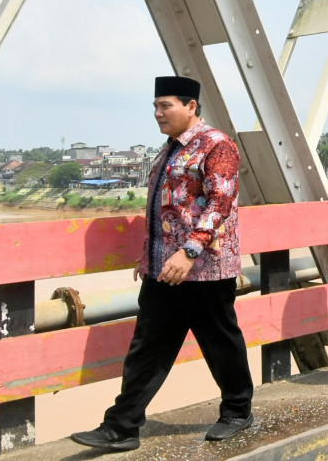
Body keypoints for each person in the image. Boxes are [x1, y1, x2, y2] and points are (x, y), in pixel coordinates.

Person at [71, 76, 253, 452]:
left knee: (220, 342)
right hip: (163, 270)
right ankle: (121, 427)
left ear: (191, 106)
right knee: (148, 346)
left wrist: (188, 252)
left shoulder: (216, 145)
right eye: (155, 107)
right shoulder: (168, 149)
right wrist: (148, 256)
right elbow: (164, 207)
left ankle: (237, 411)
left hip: (205, 269)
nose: (158, 114)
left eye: (165, 106)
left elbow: (220, 203)